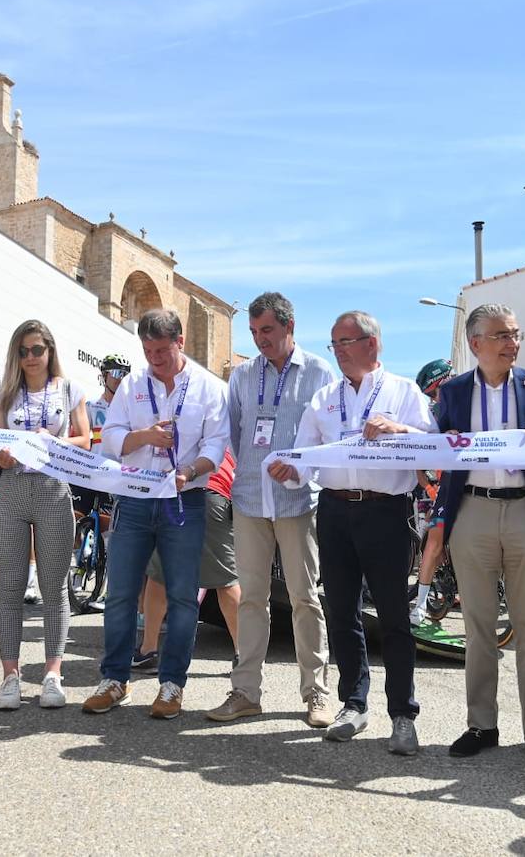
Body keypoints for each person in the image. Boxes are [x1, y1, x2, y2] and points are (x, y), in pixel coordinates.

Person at [267, 311, 435, 755]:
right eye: (334, 344)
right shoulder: (324, 398)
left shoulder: (404, 391)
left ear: (372, 344)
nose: (339, 351)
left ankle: (403, 714)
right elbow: (305, 459)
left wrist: (399, 430)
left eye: (346, 342)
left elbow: (434, 446)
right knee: (341, 611)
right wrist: (289, 470)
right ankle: (353, 704)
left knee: (395, 617)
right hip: (336, 510)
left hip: (386, 511)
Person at [433, 303, 525, 770]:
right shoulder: (451, 392)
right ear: (475, 344)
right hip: (472, 510)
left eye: (515, 334)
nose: (512, 343)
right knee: (477, 627)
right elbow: (434, 446)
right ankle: (481, 724)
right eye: (501, 335)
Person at [82, 309, 229, 719]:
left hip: (186, 499)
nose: (155, 359)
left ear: (180, 342)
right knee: (122, 593)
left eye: (162, 350)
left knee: (183, 597)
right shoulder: (132, 384)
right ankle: (114, 679)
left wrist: (190, 470)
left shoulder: (207, 388)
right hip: (134, 497)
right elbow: (109, 440)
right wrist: (144, 436)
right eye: (148, 350)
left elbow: (216, 445)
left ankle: (171, 685)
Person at [206, 291, 333, 726]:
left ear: (289, 327)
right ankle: (245, 692)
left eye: (268, 330)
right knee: (251, 600)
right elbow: (235, 434)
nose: (261, 339)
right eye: (255, 331)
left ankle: (316, 693)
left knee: (304, 597)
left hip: (297, 500)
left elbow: (326, 439)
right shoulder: (242, 376)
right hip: (249, 500)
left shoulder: (319, 371)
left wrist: (299, 468)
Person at [0, 319, 90, 710]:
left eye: (37, 350)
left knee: (54, 586)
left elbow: (85, 439)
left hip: (52, 488)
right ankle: (10, 677)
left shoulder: (69, 389)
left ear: (49, 351)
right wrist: (2, 455)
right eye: (23, 351)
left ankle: (53, 674)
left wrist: (56, 441)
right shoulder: (3, 395)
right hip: (12, 489)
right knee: (11, 586)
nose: (31, 357)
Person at [140, 450, 240, 673]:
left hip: (186, 490)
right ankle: (244, 656)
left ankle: (148, 650)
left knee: (160, 574)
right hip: (211, 492)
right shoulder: (218, 423)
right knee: (225, 578)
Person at [410, 358, 453, 627]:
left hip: (473, 485)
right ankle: (421, 603)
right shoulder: (433, 413)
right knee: (434, 542)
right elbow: (418, 459)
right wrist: (429, 487)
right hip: (446, 486)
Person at [70, 353, 128, 519]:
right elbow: (78, 439)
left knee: (105, 524)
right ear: (104, 375)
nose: (120, 378)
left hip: (114, 474)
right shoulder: (91, 406)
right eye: (116, 373)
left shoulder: (128, 410)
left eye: (125, 374)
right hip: (90, 471)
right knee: (75, 518)